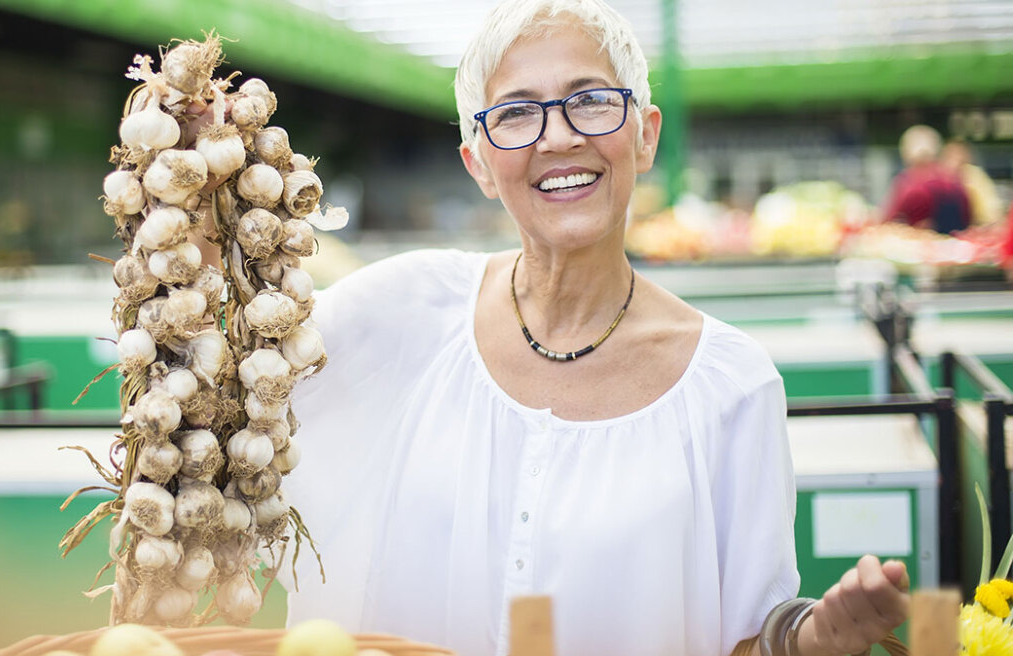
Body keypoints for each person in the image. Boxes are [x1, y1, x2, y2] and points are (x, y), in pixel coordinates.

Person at [229, 2, 911, 655]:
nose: (558, 136)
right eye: (517, 112)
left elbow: (747, 638)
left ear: (645, 135)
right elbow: (224, 381)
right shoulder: (402, 310)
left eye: (589, 100)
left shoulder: (732, 386)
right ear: (480, 165)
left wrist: (814, 640)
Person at [881, 124, 971, 234]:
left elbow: (887, 219)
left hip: (922, 243)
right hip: (958, 242)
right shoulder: (954, 181)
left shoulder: (908, 183)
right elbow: (967, 218)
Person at [940, 139, 1003, 227]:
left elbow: (991, 209)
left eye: (959, 153)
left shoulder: (974, 175)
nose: (956, 158)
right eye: (951, 154)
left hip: (979, 225)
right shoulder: (940, 176)